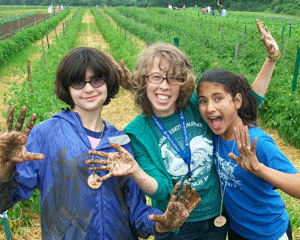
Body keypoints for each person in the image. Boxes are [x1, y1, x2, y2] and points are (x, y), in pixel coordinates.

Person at [94, 20, 280, 239]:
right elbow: (161, 188)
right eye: (156, 77)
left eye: (173, 78)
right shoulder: (138, 130)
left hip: (216, 220)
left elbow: (246, 103)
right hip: (174, 226)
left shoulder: (196, 105)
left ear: (183, 82)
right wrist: (136, 170)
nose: (165, 85)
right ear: (143, 81)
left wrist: (270, 60)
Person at [0, 47, 201, 239]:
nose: (88, 88)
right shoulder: (46, 134)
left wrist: (160, 224)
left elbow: (135, 211)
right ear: (66, 89)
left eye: (97, 80)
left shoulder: (120, 140)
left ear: (108, 84)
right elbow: (5, 200)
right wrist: (5, 171)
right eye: (78, 82)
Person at [197, 68, 300, 240]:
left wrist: (258, 168)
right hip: (238, 230)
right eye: (203, 101)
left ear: (237, 101)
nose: (210, 108)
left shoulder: (256, 142)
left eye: (218, 98)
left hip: (269, 232)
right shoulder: (216, 136)